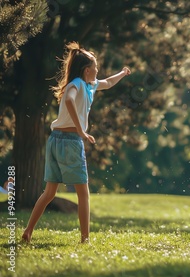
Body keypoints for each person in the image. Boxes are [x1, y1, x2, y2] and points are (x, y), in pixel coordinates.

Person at [22, 42, 131, 243]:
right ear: (87, 70)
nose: (98, 71)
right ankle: (85, 239)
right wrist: (81, 130)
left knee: (49, 192)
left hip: (55, 140)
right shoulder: (76, 84)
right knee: (83, 194)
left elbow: (107, 82)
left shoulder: (90, 84)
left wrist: (122, 73)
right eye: (96, 68)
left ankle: (28, 231)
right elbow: (70, 100)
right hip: (71, 142)